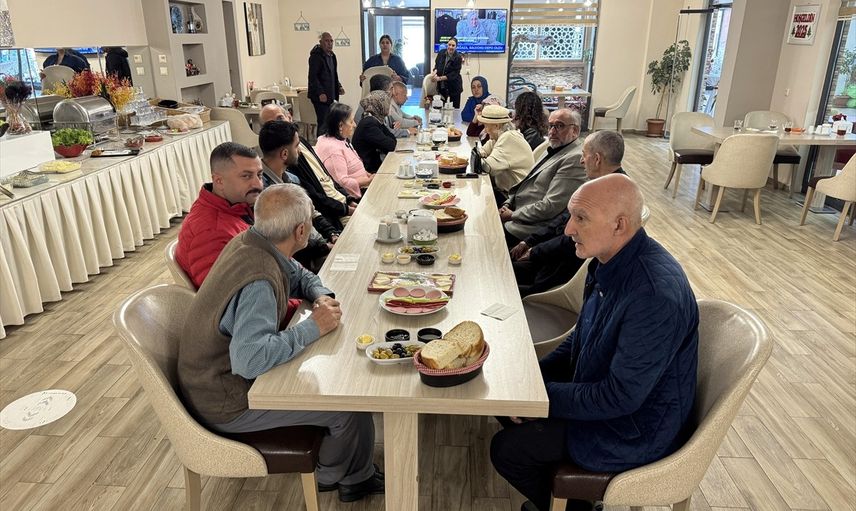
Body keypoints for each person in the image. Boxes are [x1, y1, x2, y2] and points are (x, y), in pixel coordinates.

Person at [491, 174, 699, 511]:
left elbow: (620, 397)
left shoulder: (653, 295)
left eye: (581, 218)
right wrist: (532, 380)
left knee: (508, 450)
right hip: (614, 403)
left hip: (636, 430)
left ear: (619, 225)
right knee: (506, 405)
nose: (568, 229)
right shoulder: (609, 260)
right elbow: (581, 337)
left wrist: (539, 397)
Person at [177, 183, 385, 503]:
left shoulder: (253, 241)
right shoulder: (259, 281)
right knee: (348, 406)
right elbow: (250, 360)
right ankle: (335, 477)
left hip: (208, 380)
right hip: (227, 400)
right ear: (301, 231)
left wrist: (320, 296)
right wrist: (313, 327)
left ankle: (353, 471)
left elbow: (300, 275)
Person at [512, 131, 626, 297]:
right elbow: (564, 219)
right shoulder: (599, 184)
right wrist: (530, 241)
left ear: (597, 159)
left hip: (560, 271)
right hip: (552, 256)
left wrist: (535, 251)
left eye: (584, 155)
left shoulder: (610, 196)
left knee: (499, 275)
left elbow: (573, 239)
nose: (581, 161)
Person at [500, 109, 585, 245]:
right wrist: (507, 203)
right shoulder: (555, 146)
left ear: (575, 130)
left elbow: (551, 206)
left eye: (559, 126)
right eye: (550, 126)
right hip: (518, 210)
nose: (552, 131)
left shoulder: (575, 158)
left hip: (530, 227)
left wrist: (512, 215)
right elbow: (525, 183)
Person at [259, 119, 357, 235]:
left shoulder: (292, 179)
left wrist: (330, 234)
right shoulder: (263, 191)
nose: (300, 151)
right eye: (296, 146)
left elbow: (310, 211)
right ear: (284, 154)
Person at [475, 105, 533, 204]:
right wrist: (479, 155)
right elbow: (481, 151)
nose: (485, 130)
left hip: (515, 198)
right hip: (509, 193)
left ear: (496, 126)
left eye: (486, 126)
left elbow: (488, 167)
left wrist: (478, 158)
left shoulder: (509, 138)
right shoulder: (498, 136)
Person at [314, 103, 375, 198]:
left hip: (364, 184)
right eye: (351, 122)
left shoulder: (341, 139)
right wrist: (368, 181)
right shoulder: (332, 150)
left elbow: (354, 166)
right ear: (340, 125)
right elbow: (342, 183)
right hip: (353, 197)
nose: (354, 125)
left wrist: (367, 174)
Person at [308, 32, 344, 136]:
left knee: (331, 121)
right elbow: (313, 77)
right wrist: (320, 92)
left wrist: (339, 86)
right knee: (323, 122)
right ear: (321, 42)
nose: (329, 43)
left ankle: (330, 141)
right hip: (320, 97)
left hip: (330, 95)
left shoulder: (332, 56)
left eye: (331, 41)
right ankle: (320, 143)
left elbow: (333, 74)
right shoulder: (316, 57)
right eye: (326, 41)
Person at [352, 91, 397, 173]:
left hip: (373, 166)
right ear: (380, 105)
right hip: (369, 170)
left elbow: (392, 140)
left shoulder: (374, 119)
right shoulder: (369, 123)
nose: (388, 106)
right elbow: (390, 145)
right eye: (387, 103)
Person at [431, 37, 463, 108]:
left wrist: (439, 78)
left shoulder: (458, 57)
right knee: (440, 106)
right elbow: (436, 65)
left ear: (456, 47)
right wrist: (434, 74)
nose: (450, 47)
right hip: (442, 86)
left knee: (454, 109)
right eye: (449, 45)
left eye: (453, 45)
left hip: (454, 86)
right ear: (447, 45)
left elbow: (454, 74)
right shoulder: (441, 53)